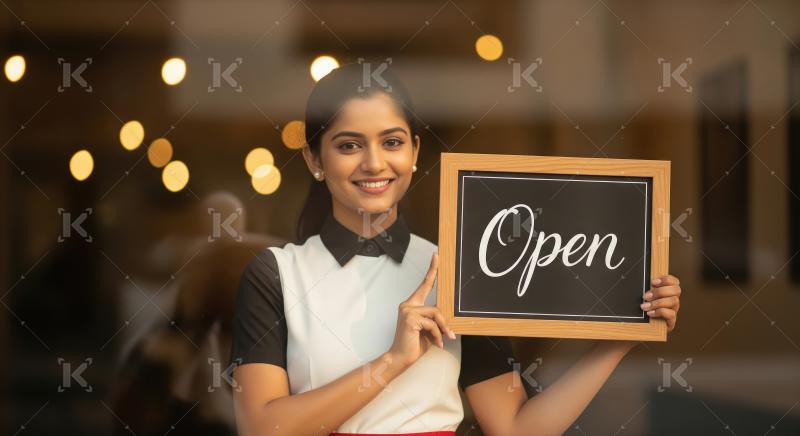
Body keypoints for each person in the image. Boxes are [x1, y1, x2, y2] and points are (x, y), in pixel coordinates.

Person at [229, 63, 682, 435]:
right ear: (314, 160)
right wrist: (393, 360)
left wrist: (624, 335)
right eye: (349, 145)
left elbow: (516, 430)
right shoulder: (277, 275)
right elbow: (262, 428)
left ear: (414, 151)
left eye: (392, 142)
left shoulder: (462, 270)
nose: (374, 162)